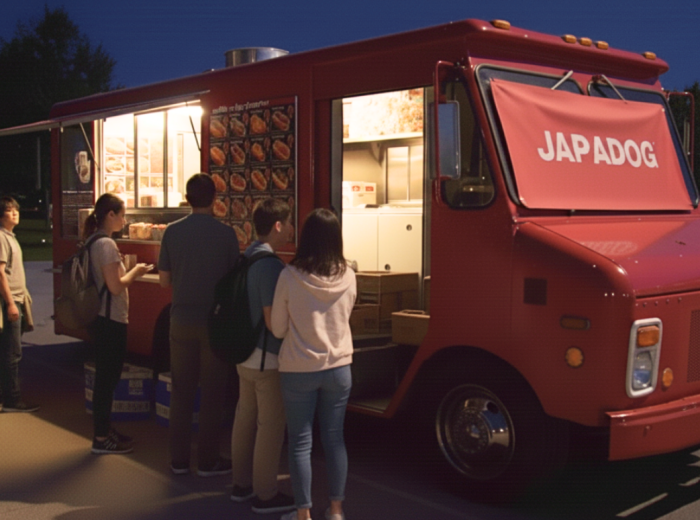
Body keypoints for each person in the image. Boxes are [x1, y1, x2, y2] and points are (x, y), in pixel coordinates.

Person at [271, 209, 357, 520]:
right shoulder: (349, 275)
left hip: (299, 369)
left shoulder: (289, 276)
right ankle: (336, 510)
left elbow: (278, 329)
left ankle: (303, 515)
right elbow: (346, 317)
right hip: (339, 368)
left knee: (300, 444)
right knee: (334, 439)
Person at [158, 173, 239, 476]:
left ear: (187, 198)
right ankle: (208, 460)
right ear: (215, 199)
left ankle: (178, 460)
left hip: (180, 320)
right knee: (213, 392)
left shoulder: (171, 232)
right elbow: (233, 281)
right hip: (214, 324)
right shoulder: (227, 234)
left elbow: (165, 281)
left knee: (182, 390)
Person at [230, 198, 295, 514]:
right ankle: (265, 494)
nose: (292, 229)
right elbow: (274, 323)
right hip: (266, 358)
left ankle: (240, 485)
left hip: (243, 353)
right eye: (290, 223)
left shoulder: (247, 256)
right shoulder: (270, 266)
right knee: (270, 426)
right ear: (278, 226)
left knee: (245, 418)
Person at [83, 193, 153, 454]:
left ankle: (105, 430)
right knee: (107, 380)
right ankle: (101, 439)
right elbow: (115, 286)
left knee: (106, 378)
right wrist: (136, 272)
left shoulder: (92, 241)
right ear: (110, 215)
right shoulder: (106, 245)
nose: (124, 220)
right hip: (110, 319)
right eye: (122, 215)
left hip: (100, 318)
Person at [0, 196, 38, 414]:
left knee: (8, 351)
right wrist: (10, 304)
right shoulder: (2, 238)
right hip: (10, 300)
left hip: (16, 298)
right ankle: (13, 400)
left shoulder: (10, 237)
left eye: (16, 209)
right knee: (12, 353)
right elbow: (1, 273)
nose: (14, 213)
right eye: (8, 210)